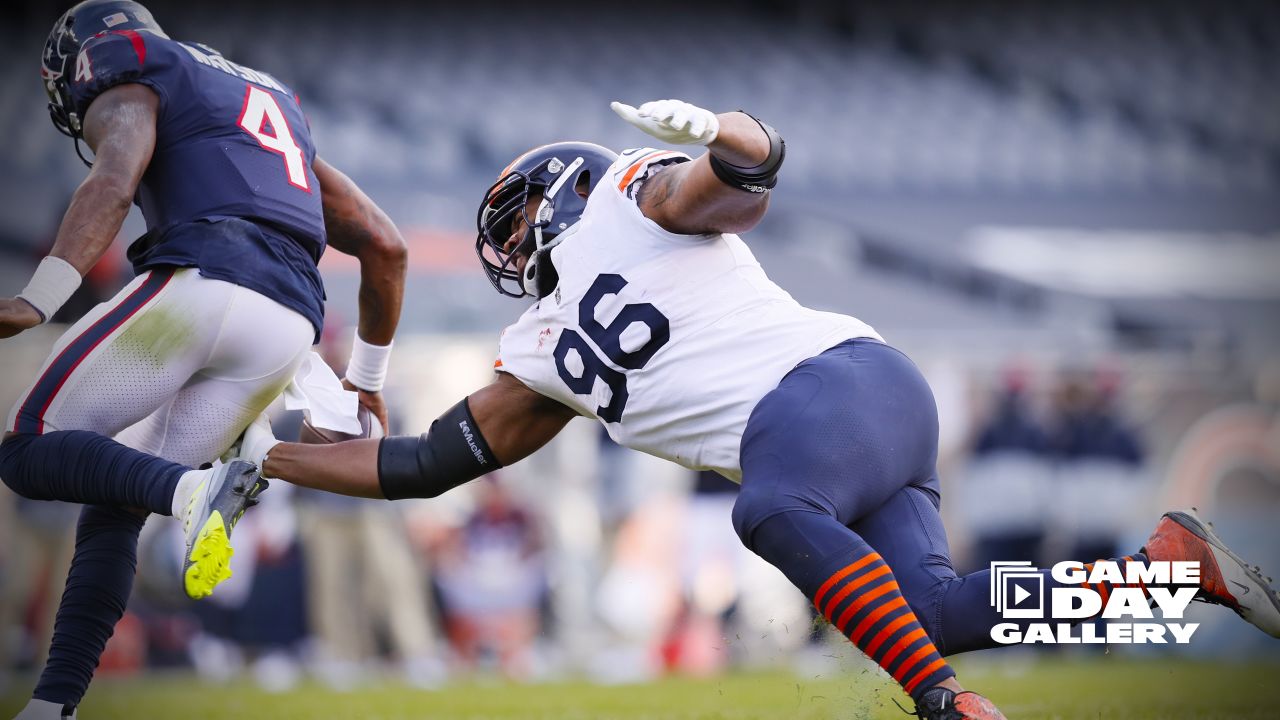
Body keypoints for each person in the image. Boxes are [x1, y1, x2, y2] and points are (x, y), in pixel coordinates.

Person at [239, 99, 1275, 718]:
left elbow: (743, 178)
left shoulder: (629, 198)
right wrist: (266, 459)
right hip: (850, 417)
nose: (507, 252)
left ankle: (937, 704)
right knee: (937, 613)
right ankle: (1167, 575)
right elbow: (418, 465)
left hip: (824, 397)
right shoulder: (537, 356)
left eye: (512, 223)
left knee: (767, 514)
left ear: (558, 192)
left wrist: (729, 134)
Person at [0, 2, 406, 718]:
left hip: (204, 283)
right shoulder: (266, 100)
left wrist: (39, 297)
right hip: (288, 327)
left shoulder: (139, 68)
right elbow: (384, 243)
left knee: (28, 447)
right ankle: (53, 705)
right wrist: (364, 385)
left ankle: (194, 494)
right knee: (117, 506)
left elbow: (114, 180)